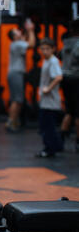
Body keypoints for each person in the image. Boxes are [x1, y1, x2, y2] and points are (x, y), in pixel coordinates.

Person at [6, 19, 36, 132]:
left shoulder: (16, 44)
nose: (19, 31)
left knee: (16, 99)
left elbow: (26, 40)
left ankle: (11, 121)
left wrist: (27, 32)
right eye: (17, 31)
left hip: (14, 73)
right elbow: (32, 44)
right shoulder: (17, 44)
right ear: (14, 36)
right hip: (16, 73)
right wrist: (31, 30)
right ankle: (11, 122)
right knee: (17, 100)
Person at [36, 38, 63, 158]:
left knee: (48, 126)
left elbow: (58, 77)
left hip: (51, 101)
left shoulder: (53, 61)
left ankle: (50, 149)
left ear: (53, 49)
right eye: (43, 49)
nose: (44, 51)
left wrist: (48, 88)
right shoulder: (46, 60)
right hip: (45, 100)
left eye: (47, 49)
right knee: (45, 125)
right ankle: (53, 147)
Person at [59, 20, 79, 152]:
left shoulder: (66, 43)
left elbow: (60, 56)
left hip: (65, 78)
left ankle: (60, 140)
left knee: (70, 110)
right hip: (76, 79)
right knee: (77, 113)